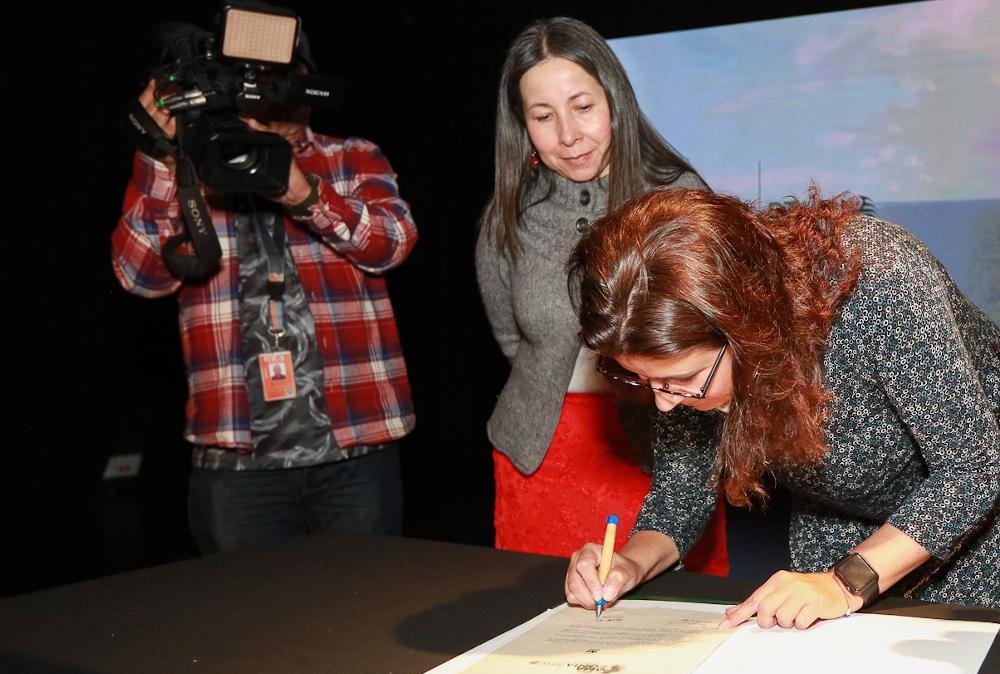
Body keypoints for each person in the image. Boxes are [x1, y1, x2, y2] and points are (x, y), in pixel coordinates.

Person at [564, 187, 999, 625]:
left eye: (684, 380)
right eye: (641, 380)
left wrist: (845, 583)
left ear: (746, 330)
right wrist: (630, 564)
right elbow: (681, 494)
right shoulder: (685, 353)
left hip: (976, 535)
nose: (664, 404)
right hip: (836, 530)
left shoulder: (882, 281)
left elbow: (974, 468)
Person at [112, 31, 417, 554]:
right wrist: (160, 159)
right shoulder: (186, 167)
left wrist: (299, 190)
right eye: (250, 75)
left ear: (307, 81)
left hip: (356, 450)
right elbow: (139, 275)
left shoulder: (352, 157)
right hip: (235, 464)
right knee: (245, 608)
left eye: (278, 75)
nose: (263, 87)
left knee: (366, 600)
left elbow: (392, 243)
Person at [476, 16, 728, 573]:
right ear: (522, 124)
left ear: (615, 100)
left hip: (663, 453)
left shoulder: (678, 198)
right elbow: (510, 336)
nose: (568, 134)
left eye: (582, 107)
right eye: (543, 116)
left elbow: (718, 336)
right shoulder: (510, 214)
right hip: (540, 452)